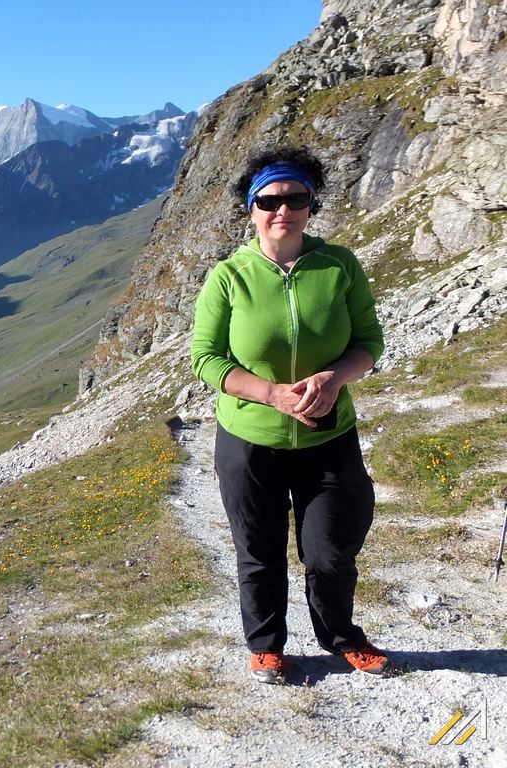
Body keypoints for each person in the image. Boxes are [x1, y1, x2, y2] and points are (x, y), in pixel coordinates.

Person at [189, 146, 388, 685]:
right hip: (249, 439)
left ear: (310, 204)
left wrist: (334, 377)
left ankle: (341, 636)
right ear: (251, 209)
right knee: (258, 550)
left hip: (329, 434)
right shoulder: (230, 277)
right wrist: (271, 395)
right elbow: (205, 358)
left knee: (331, 550)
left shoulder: (339, 265)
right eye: (270, 200)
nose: (284, 209)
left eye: (296, 198)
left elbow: (370, 339)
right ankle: (267, 645)